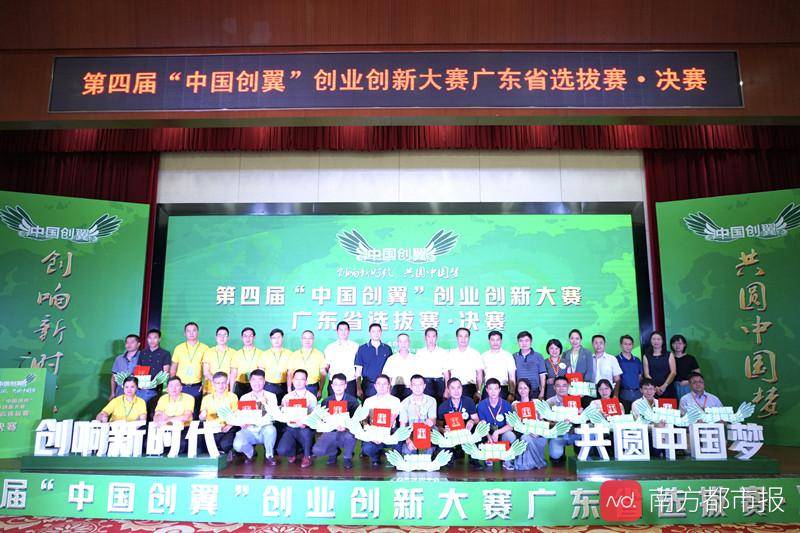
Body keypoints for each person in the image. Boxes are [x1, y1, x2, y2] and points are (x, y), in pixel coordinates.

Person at [312, 373, 360, 468]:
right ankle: (333, 452)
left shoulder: (353, 401)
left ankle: (347, 457)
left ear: (345, 385)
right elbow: (322, 419)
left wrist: (346, 427)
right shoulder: (326, 401)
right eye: (336, 384)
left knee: (350, 437)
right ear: (332, 386)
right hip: (331, 431)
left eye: (341, 384)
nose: (338, 387)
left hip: (346, 431)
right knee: (317, 450)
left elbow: (356, 420)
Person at [233, 369, 279, 466]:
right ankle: (251, 453)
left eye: (260, 380)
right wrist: (241, 422)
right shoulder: (244, 398)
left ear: (264, 381)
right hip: (249, 430)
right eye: (254, 380)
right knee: (237, 444)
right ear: (250, 382)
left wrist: (265, 404)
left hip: (264, 429)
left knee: (271, 430)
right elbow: (240, 415)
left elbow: (274, 415)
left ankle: (269, 456)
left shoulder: (271, 396)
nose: (257, 383)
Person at [276, 368, 317, 468]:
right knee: (281, 450)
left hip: (304, 428)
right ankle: (293, 453)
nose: (298, 382)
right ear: (292, 380)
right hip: (291, 428)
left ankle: (307, 456)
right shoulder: (287, 397)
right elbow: (282, 414)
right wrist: (284, 410)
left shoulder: (311, 397)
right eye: (296, 379)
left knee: (306, 432)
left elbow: (314, 417)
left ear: (306, 381)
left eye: (302, 379)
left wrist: (305, 423)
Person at [361, 374, 402, 466]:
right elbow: (364, 420)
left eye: (384, 384)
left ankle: (395, 458)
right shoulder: (368, 401)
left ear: (389, 386)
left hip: (389, 431)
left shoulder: (395, 400)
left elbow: (392, 420)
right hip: (373, 431)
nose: (381, 386)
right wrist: (371, 434)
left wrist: (382, 436)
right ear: (375, 386)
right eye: (379, 384)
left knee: (399, 441)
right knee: (367, 448)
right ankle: (375, 456)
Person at [477, 378, 516, 470]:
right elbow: (482, 425)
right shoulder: (481, 405)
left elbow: (510, 426)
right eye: (490, 389)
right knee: (479, 434)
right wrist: (489, 436)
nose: (493, 392)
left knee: (510, 435)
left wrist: (497, 432)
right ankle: (488, 455)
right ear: (486, 390)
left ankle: (507, 460)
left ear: (499, 390)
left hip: (501, 432)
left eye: (496, 389)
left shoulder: (506, 404)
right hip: (488, 433)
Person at [170, 322, 209, 414]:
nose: (191, 333)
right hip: (180, 387)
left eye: (194, 330)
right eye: (188, 331)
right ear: (185, 333)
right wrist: (172, 385)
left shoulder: (205, 348)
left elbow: (207, 370)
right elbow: (173, 369)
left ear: (198, 332)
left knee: (195, 413)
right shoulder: (178, 348)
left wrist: (205, 386)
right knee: (180, 412)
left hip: (196, 387)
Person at [199, 371, 239, 459]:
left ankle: (229, 451)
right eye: (218, 383)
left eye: (223, 383)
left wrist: (228, 426)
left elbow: (236, 415)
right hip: (211, 428)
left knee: (225, 444)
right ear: (213, 384)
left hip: (227, 428)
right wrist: (202, 416)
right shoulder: (206, 398)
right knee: (201, 446)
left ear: (227, 383)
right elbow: (201, 418)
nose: (221, 386)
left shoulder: (233, 397)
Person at [511, 378, 547, 470]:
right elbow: (516, 423)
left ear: (529, 389)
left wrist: (537, 431)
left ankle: (537, 461)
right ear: (517, 390)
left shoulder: (536, 402)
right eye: (520, 388)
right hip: (523, 432)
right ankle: (529, 463)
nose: (523, 391)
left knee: (533, 437)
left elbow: (542, 420)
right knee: (525, 437)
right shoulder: (515, 404)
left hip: (537, 432)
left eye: (525, 388)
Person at [154, 376, 195, 455]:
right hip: (165, 428)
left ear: (181, 387)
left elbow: (186, 417)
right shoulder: (163, 398)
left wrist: (167, 419)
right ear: (167, 389)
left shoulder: (189, 398)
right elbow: (157, 416)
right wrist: (159, 419)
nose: (174, 388)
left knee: (182, 445)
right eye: (171, 386)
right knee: (150, 444)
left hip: (184, 428)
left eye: (177, 386)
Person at [398, 374, 437, 455]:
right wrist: (408, 440)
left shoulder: (431, 400)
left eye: (420, 385)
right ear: (410, 386)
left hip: (427, 431)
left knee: (429, 453)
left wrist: (431, 422)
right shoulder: (404, 403)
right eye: (414, 385)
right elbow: (403, 425)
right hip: (411, 432)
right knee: (407, 451)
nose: (417, 388)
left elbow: (433, 420)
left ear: (424, 386)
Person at [546, 376, 580, 465]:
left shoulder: (576, 400)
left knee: (590, 438)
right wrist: (558, 423)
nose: (561, 388)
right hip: (558, 434)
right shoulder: (549, 402)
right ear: (554, 387)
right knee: (555, 455)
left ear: (568, 386)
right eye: (558, 386)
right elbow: (545, 421)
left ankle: (578, 450)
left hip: (574, 432)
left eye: (564, 386)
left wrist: (577, 418)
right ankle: (558, 455)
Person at [354, 323, 393, 399]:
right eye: (373, 331)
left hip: (384, 385)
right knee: (368, 405)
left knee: (383, 406)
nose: (376, 333)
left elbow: (391, 369)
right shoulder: (362, 349)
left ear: (381, 332)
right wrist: (358, 388)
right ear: (370, 333)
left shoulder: (387, 349)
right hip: (368, 385)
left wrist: (390, 386)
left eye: (378, 331)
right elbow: (358, 370)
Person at [138, 328, 172, 413]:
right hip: (143, 387)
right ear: (147, 339)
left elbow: (166, 372)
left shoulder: (165, 353)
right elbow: (139, 370)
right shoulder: (142, 353)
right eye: (150, 338)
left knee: (153, 411)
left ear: (159, 339)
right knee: (141, 410)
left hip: (157, 387)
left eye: (155, 337)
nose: (152, 340)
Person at [447, 328, 484, 403]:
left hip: (470, 388)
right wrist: (447, 389)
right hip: (454, 388)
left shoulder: (475, 354)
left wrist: (479, 391)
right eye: (460, 336)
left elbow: (479, 374)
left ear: (469, 338)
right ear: (457, 338)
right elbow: (448, 374)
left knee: (469, 409)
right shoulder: (451, 353)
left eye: (466, 336)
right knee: (455, 409)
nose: (463, 339)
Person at [286, 330, 326, 399]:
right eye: (305, 338)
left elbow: (323, 373)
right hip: (296, 387)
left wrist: (320, 390)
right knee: (296, 405)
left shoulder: (319, 354)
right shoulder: (294, 355)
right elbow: (290, 373)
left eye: (310, 338)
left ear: (313, 339)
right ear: (301, 340)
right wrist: (289, 388)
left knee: (312, 405)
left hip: (313, 387)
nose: (307, 340)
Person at [323, 321, 359, 397]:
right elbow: (327, 366)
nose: (343, 332)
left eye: (345, 329)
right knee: (334, 404)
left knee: (350, 404)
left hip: (350, 382)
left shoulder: (356, 346)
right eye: (341, 330)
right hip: (334, 383)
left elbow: (358, 367)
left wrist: (358, 386)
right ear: (337, 331)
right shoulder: (330, 347)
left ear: (349, 331)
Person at [481, 330, 516, 401]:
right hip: (488, 389)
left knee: (503, 408)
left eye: (497, 340)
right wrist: (478, 391)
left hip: (502, 389)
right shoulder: (483, 356)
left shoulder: (508, 356)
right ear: (489, 341)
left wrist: (512, 393)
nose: (495, 342)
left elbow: (512, 376)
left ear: (501, 341)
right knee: (485, 407)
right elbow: (481, 376)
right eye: (492, 340)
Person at [416, 327, 450, 402]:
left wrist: (447, 389)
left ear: (436, 338)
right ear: (425, 338)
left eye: (433, 336)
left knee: (439, 406)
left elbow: (446, 373)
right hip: (424, 384)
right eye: (429, 336)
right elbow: (417, 372)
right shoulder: (420, 353)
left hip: (439, 384)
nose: (431, 339)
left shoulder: (443, 352)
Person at [259, 328, 292, 402]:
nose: (276, 340)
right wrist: (261, 389)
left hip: (284, 386)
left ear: (282, 338)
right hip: (268, 386)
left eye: (278, 337)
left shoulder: (289, 353)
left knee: (284, 406)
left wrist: (289, 389)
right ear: (270, 339)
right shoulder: (264, 354)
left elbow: (290, 373)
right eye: (274, 338)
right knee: (268, 406)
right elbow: (261, 373)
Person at [512, 330, 546, 401]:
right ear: (518, 342)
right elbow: (512, 376)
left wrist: (542, 392)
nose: (524, 343)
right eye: (521, 341)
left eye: (526, 341)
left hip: (535, 391)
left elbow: (542, 375)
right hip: (520, 392)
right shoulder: (514, 356)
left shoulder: (538, 356)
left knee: (534, 408)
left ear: (531, 341)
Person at [643, 331, 677, 399]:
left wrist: (664, 386)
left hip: (668, 388)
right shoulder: (646, 356)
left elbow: (673, 372)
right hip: (652, 390)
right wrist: (655, 387)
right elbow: (647, 374)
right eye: (654, 339)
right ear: (650, 341)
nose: (656, 341)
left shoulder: (669, 354)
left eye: (658, 339)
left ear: (662, 341)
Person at [382, 333, 417, 400]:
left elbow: (419, 376)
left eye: (405, 341)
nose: (403, 344)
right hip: (395, 390)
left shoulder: (415, 358)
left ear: (409, 343)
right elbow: (387, 377)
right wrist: (387, 392)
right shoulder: (391, 359)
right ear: (397, 343)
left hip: (412, 390)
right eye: (400, 341)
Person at [201, 326, 235, 394]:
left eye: (225, 335)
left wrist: (224, 383)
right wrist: (217, 383)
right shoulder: (208, 352)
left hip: (226, 388)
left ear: (228, 338)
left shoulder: (234, 353)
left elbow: (233, 373)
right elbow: (206, 372)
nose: (222, 337)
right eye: (219, 335)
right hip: (210, 388)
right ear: (216, 337)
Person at [231, 327, 263, 398]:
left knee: (256, 404)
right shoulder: (236, 354)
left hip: (256, 385)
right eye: (245, 336)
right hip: (240, 386)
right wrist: (231, 392)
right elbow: (233, 374)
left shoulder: (261, 353)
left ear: (254, 337)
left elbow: (262, 372)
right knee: (241, 404)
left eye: (250, 336)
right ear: (242, 338)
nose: (248, 338)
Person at [616, 334, 643, 412]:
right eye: (625, 344)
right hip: (623, 394)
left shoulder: (637, 360)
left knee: (638, 416)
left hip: (637, 394)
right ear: (621, 345)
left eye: (630, 344)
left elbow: (640, 376)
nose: (628, 346)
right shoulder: (616, 359)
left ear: (632, 345)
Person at [110, 334, 142, 399]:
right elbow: (114, 377)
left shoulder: (143, 357)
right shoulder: (119, 359)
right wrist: (113, 393)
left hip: (137, 394)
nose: (129, 344)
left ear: (138, 344)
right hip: (120, 393)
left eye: (132, 342)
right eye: (127, 342)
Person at [670, 334, 699, 400]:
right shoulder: (669, 358)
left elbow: (697, 374)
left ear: (684, 344)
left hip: (687, 386)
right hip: (672, 386)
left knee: (688, 403)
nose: (677, 346)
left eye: (680, 343)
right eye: (675, 343)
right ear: (671, 345)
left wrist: (688, 381)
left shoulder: (690, 358)